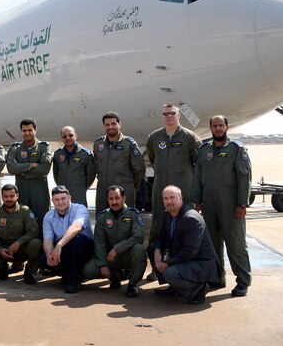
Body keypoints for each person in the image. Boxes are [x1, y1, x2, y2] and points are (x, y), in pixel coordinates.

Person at [191, 115, 252, 297]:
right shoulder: (204, 150)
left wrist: (242, 203)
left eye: (221, 125)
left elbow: (244, 177)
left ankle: (243, 281)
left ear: (227, 126)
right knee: (213, 243)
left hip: (231, 204)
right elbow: (197, 177)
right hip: (209, 204)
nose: (218, 129)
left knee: (236, 244)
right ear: (210, 128)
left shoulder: (236, 149)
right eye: (214, 126)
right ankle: (217, 277)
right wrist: (197, 200)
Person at [148, 186, 220, 305]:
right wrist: (157, 251)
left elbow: (190, 252)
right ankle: (176, 287)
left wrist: (167, 264)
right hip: (183, 256)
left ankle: (198, 290)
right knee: (151, 248)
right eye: (165, 199)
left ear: (180, 198)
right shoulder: (168, 214)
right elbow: (161, 237)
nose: (169, 201)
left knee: (169, 273)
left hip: (200, 262)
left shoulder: (190, 218)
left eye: (172, 198)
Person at [145, 103, 202, 238]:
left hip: (183, 187)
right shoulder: (154, 137)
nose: (169, 116)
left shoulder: (189, 137)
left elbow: (198, 163)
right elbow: (153, 159)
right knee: (159, 221)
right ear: (162, 116)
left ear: (179, 115)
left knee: (185, 221)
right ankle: (158, 252)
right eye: (166, 113)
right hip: (160, 186)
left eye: (172, 113)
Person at [84, 185, 146, 297]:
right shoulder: (103, 217)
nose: (114, 202)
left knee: (140, 249)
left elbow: (138, 237)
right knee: (87, 270)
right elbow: (99, 242)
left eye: (117, 198)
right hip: (110, 257)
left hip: (128, 255)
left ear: (124, 198)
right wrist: (103, 264)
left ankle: (132, 284)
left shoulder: (133, 215)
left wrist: (117, 248)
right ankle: (114, 277)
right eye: (111, 199)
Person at [0, 184, 41, 283]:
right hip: (3, 250)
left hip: (21, 249)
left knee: (36, 243)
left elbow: (34, 231)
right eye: (5, 196)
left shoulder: (25, 211)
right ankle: (3, 269)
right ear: (2, 197)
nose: (9, 199)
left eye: (12, 196)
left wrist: (18, 243)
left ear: (17, 196)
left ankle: (29, 272)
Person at [42, 185, 95, 294]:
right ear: (52, 201)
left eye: (63, 198)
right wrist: (49, 255)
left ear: (69, 198)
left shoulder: (80, 208)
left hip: (84, 249)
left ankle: (75, 280)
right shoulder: (49, 216)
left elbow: (76, 227)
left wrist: (59, 245)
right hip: (63, 250)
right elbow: (47, 239)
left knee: (76, 239)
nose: (60, 202)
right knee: (43, 260)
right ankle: (67, 274)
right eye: (56, 199)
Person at [92, 112, 145, 214]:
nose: (110, 127)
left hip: (123, 190)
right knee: (102, 220)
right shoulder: (98, 144)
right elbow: (94, 167)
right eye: (107, 124)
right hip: (103, 191)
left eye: (113, 124)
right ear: (104, 126)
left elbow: (139, 169)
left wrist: (131, 185)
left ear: (119, 124)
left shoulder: (129, 144)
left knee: (125, 220)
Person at [6, 118, 52, 230]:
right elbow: (11, 168)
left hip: (39, 190)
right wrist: (31, 165)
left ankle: (43, 246)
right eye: (24, 130)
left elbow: (45, 169)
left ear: (35, 130)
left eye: (30, 130)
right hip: (22, 190)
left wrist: (23, 171)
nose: (27, 133)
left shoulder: (44, 146)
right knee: (22, 220)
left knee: (42, 221)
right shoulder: (15, 148)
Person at [51, 125, 95, 208]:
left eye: (70, 135)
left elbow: (91, 176)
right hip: (62, 195)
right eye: (64, 136)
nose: (68, 138)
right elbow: (56, 174)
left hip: (79, 194)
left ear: (76, 136)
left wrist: (81, 188)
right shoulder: (58, 154)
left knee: (79, 218)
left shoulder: (86, 154)